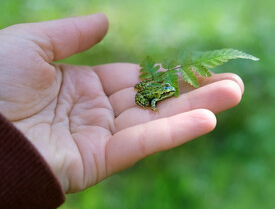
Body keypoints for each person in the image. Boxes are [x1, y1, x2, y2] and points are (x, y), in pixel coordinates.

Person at [0, 13, 244, 208]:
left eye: (168, 92)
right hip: (143, 94)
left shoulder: (163, 88)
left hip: (146, 88)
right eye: (167, 92)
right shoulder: (155, 95)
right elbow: (147, 99)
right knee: (148, 96)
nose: (170, 93)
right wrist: (152, 104)